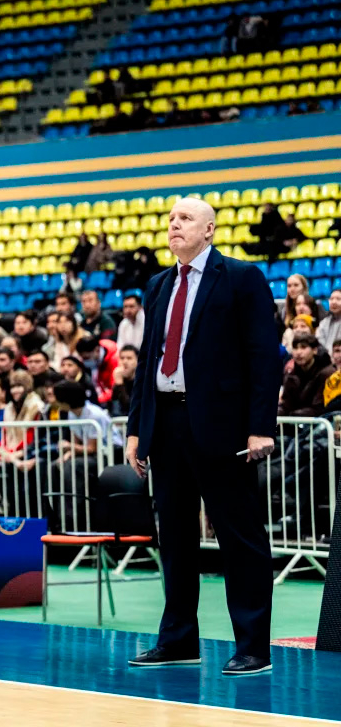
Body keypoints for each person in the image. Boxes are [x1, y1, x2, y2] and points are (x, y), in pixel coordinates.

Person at [125, 197, 279, 676]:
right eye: (171, 219)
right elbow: (148, 361)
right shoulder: (158, 284)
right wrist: (136, 429)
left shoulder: (241, 277)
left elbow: (263, 356)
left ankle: (253, 646)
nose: (175, 224)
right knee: (174, 537)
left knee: (239, 537)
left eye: (185, 218)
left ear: (209, 230)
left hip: (223, 426)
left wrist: (260, 426)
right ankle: (178, 640)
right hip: (166, 421)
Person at [279, 335, 334, 418]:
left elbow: (319, 408)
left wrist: (292, 416)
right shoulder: (291, 376)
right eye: (295, 348)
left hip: (319, 421)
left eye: (303, 347)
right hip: (296, 421)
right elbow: (286, 405)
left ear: (314, 350)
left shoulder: (326, 374)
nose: (298, 352)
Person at [75, 334, 119, 405]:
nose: (84, 361)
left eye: (86, 358)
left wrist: (96, 400)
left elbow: (115, 390)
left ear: (97, 350)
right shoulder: (94, 350)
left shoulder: (115, 360)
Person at [110, 345, 139, 418]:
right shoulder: (118, 382)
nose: (125, 362)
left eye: (129, 358)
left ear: (137, 361)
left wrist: (119, 384)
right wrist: (119, 384)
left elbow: (130, 409)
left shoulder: (142, 383)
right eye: (122, 358)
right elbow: (115, 410)